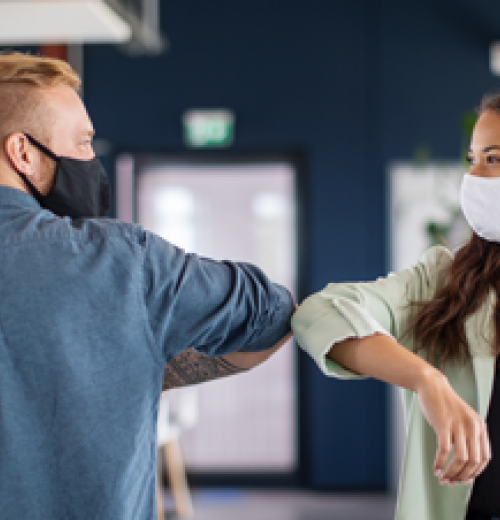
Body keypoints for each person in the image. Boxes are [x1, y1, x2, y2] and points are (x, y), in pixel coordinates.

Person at [0, 52, 294, 519]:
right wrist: (139, 367)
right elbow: (272, 315)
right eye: (81, 143)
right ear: (22, 153)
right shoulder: (123, 261)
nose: (90, 161)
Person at [292, 93, 500, 520]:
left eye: (493, 160)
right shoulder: (443, 279)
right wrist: (427, 379)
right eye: (472, 159)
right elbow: (319, 311)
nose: (473, 176)